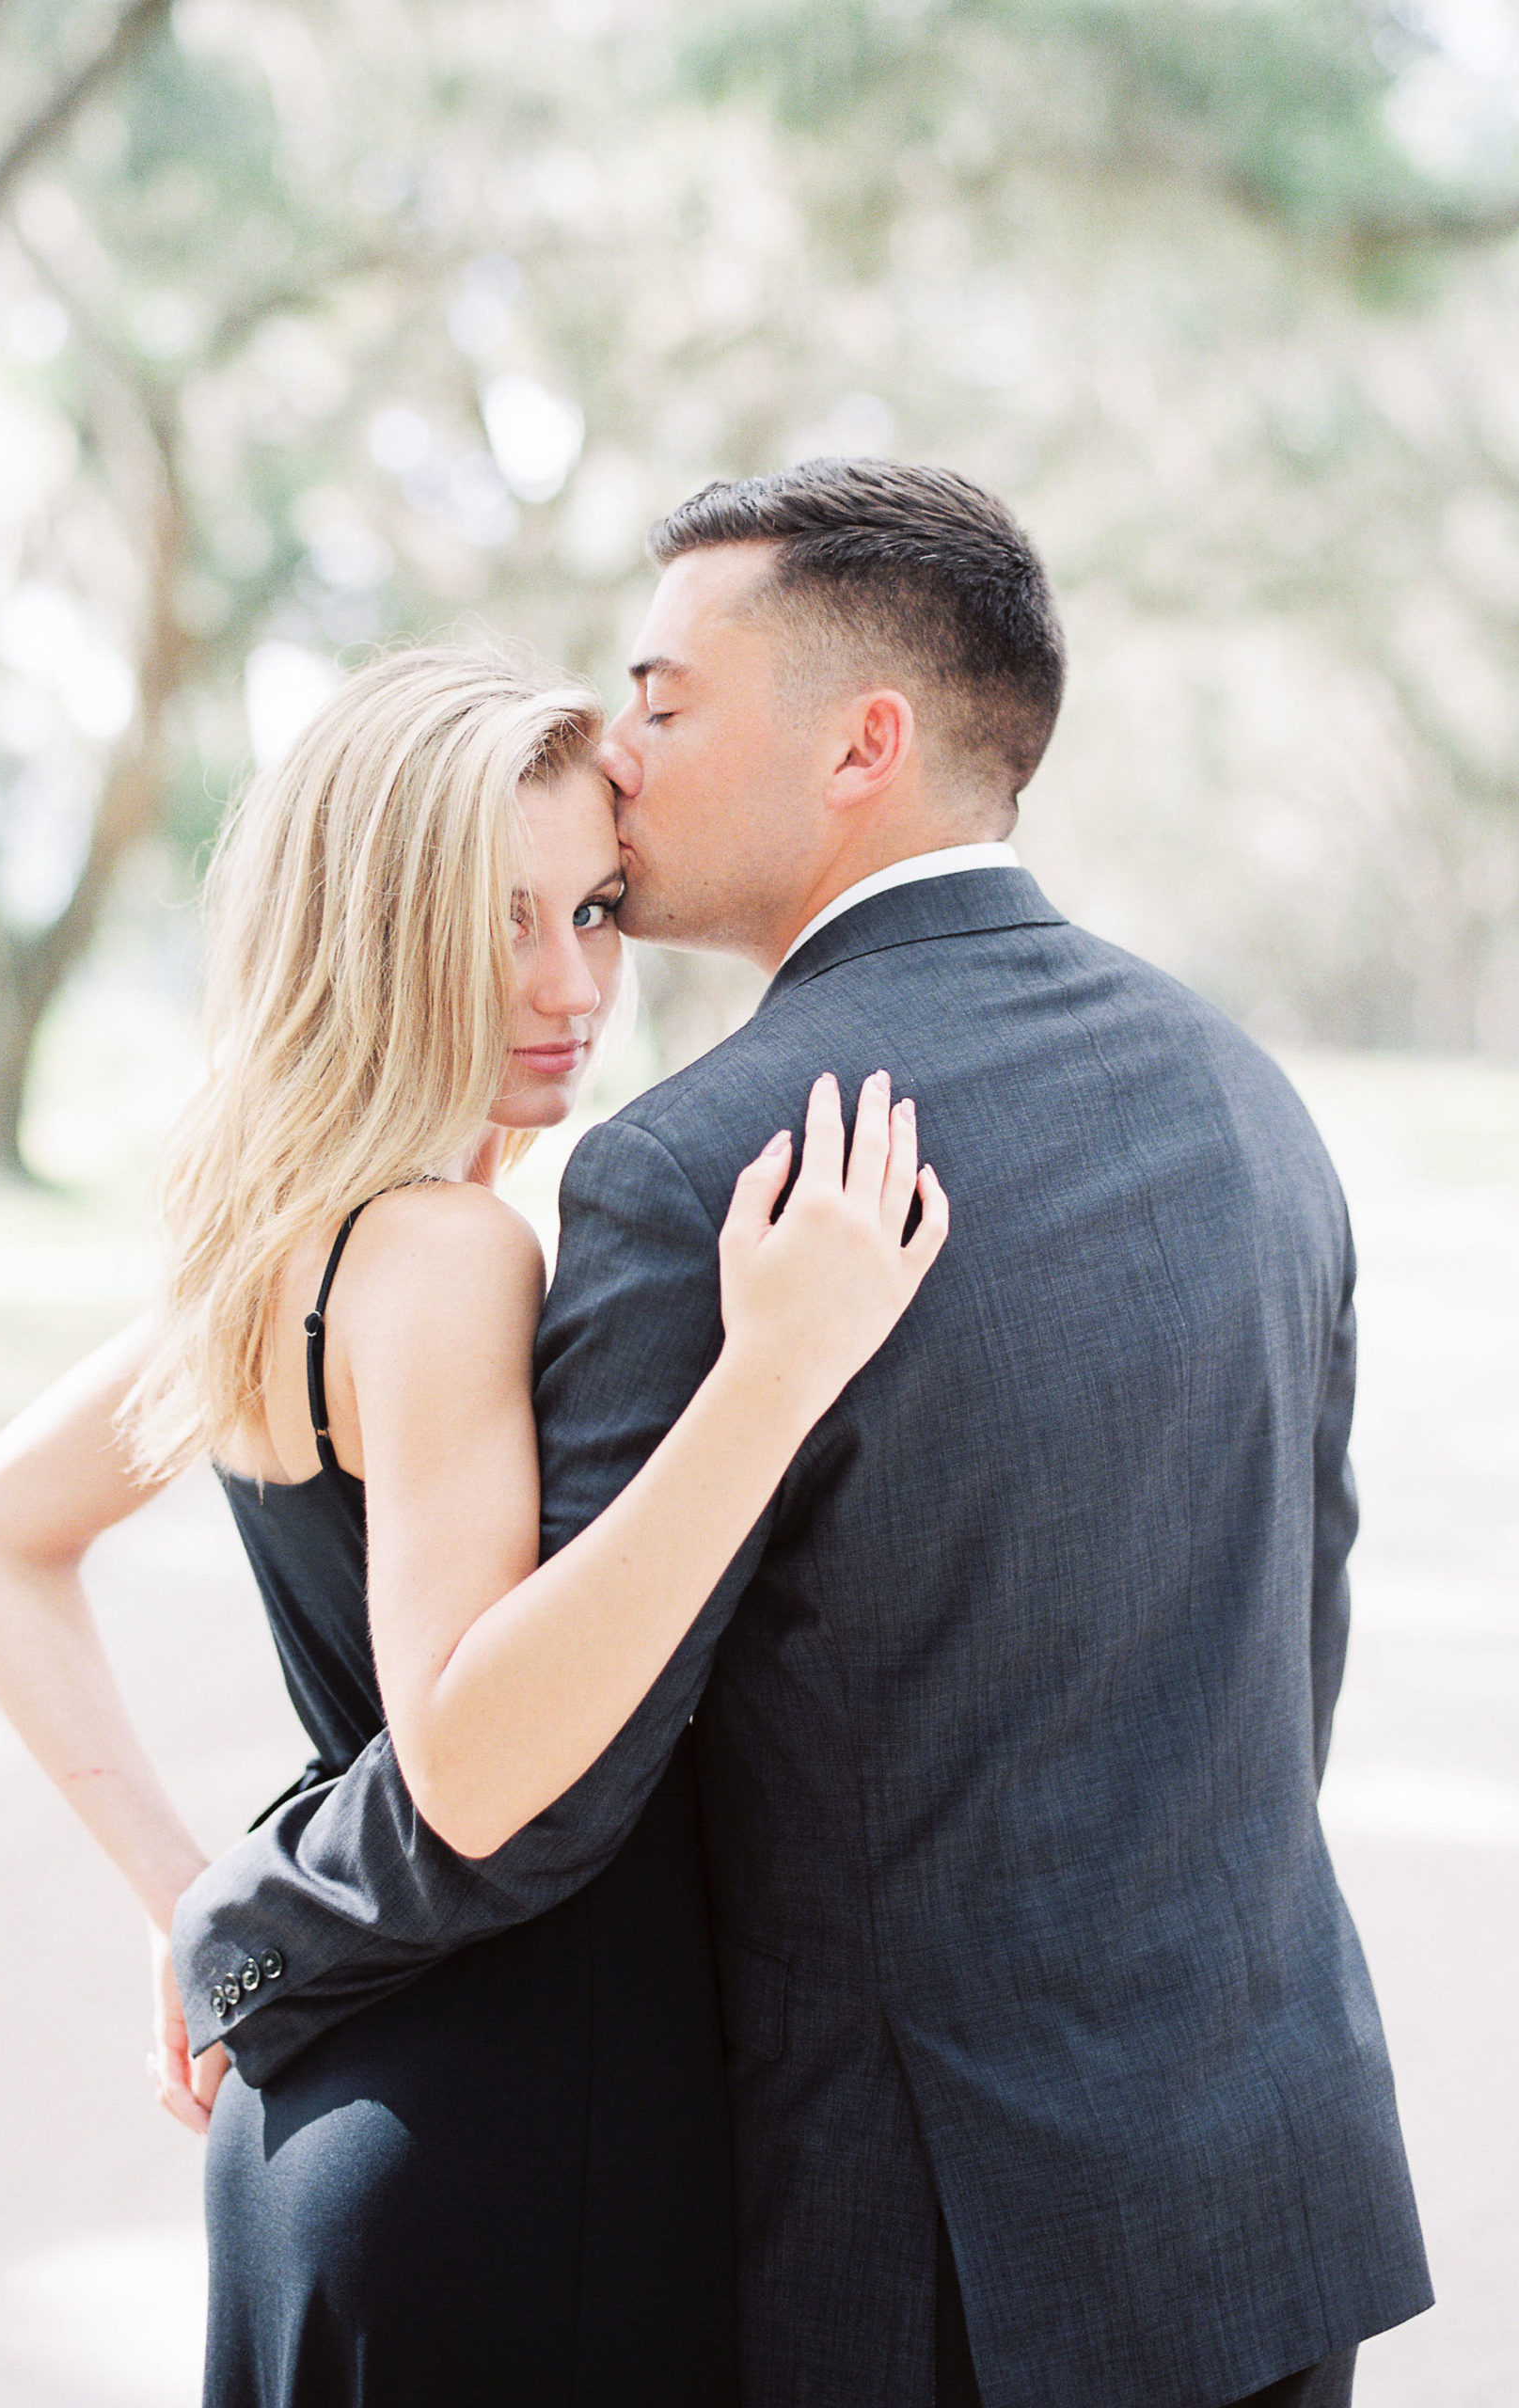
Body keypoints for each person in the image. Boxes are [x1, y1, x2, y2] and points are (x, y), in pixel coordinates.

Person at [175, 460, 1433, 2408]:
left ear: (861, 744)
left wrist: (241, 1926)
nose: (620, 739)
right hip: (1264, 2193)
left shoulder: (700, 1165)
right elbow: (1291, 1643)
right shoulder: (1244, 1092)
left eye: (665, 695)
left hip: (932, 2264)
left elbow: (539, 1790)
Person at [0, 643, 951, 2407]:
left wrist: (190, 1907)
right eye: (499, 921)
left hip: (340, 2112)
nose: (570, 985)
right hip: (519, 2120)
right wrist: (774, 1375)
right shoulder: (449, 1250)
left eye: (600, 911)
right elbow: (471, 1739)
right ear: (368, 925)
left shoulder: (281, 1245)